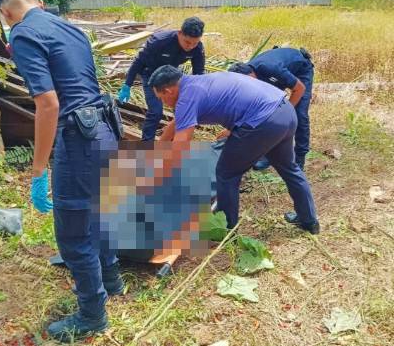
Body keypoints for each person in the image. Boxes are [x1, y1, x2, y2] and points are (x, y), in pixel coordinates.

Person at [0, 0, 123, 342]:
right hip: (105, 130)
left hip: (78, 137)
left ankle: (92, 315)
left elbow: (48, 104)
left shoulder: (23, 34)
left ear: (5, 12)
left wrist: (38, 170)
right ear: (39, 2)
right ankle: (112, 280)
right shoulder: (71, 29)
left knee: (73, 232)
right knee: (100, 212)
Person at [150, 65, 319, 234]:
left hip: (263, 122)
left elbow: (180, 144)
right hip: (285, 111)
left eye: (161, 98)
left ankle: (227, 230)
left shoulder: (186, 97)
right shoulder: (196, 83)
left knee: (226, 174)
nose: (163, 102)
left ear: (168, 91)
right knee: (289, 168)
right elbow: (178, 123)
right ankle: (309, 221)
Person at [118, 17, 206, 141]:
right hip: (151, 76)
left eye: (195, 43)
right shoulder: (160, 41)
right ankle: (146, 144)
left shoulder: (197, 48)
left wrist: (199, 95)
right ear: (180, 33)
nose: (190, 46)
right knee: (156, 112)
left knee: (183, 110)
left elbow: (199, 73)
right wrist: (127, 85)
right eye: (187, 42)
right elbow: (138, 62)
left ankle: (174, 143)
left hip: (172, 77)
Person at [229, 46, 314, 172]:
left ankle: (299, 157)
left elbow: (299, 89)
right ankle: (268, 155)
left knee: (299, 114)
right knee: (266, 113)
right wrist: (231, 129)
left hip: (300, 70)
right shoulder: (247, 76)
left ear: (250, 74)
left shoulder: (269, 68)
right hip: (276, 76)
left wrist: (287, 112)